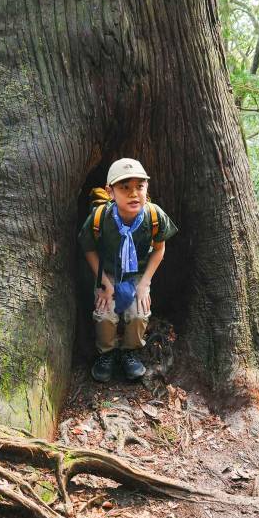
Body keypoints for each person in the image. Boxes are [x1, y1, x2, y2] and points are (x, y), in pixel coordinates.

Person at [78, 158, 178, 382]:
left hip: (137, 274)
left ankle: (130, 351)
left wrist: (145, 284)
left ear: (146, 188)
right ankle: (106, 353)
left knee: (139, 313)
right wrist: (104, 283)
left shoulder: (153, 216)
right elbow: (89, 249)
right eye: (124, 187)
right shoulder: (100, 217)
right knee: (105, 314)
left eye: (139, 186)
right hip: (108, 272)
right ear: (110, 192)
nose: (134, 194)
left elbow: (159, 249)